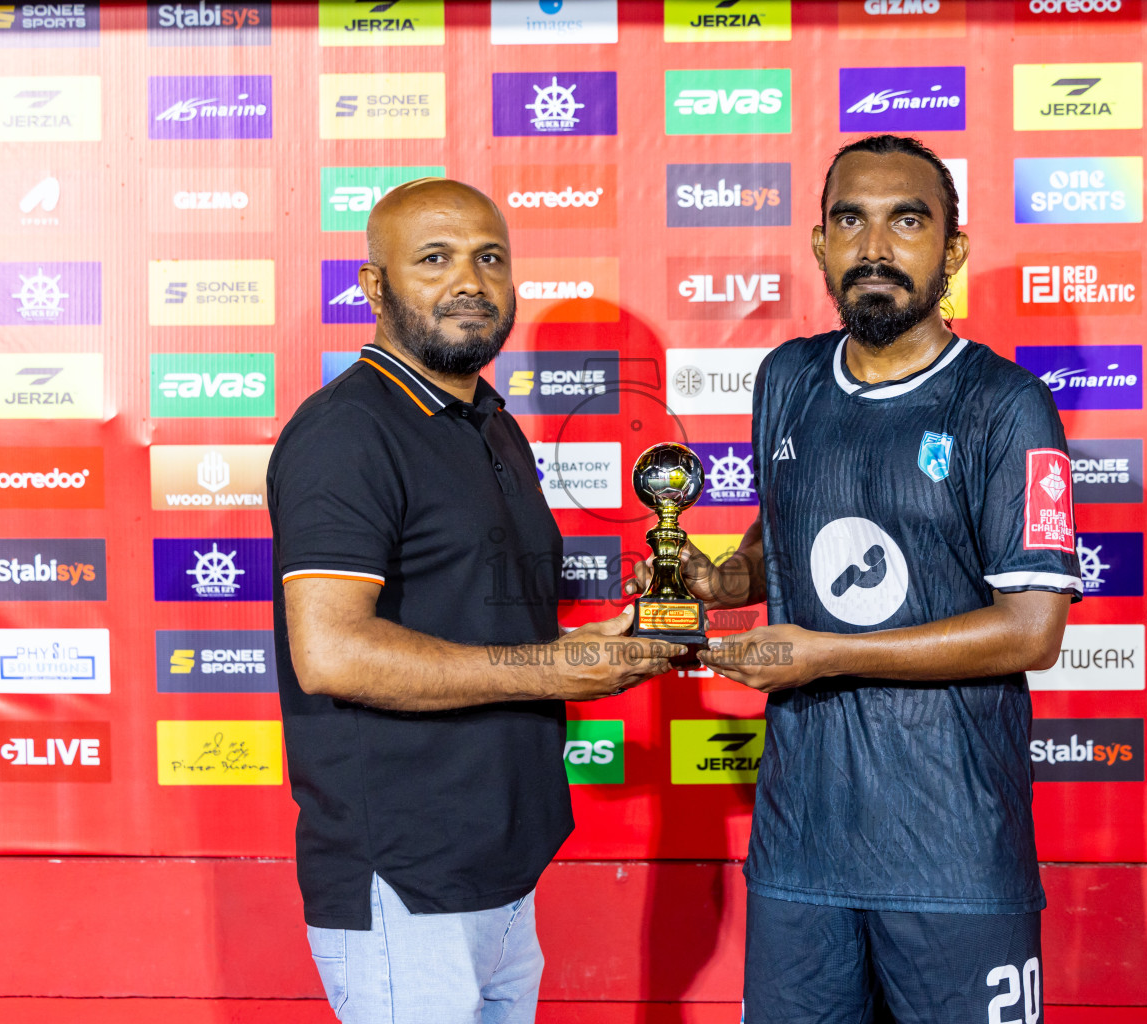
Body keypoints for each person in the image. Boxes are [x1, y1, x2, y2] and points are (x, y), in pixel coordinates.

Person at [628, 135, 1081, 1023]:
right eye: (852, 220)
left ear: (952, 250)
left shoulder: (1006, 404)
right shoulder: (786, 378)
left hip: (955, 854)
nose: (876, 247)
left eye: (907, 221)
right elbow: (783, 533)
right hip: (802, 854)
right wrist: (718, 579)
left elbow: (1032, 631)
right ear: (820, 245)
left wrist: (825, 655)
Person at [268, 178, 683, 1024]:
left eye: (489, 258)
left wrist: (607, 642)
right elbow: (333, 653)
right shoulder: (347, 433)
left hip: (501, 867)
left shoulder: (488, 419)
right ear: (373, 286)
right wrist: (554, 669)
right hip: (408, 878)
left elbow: (479, 615)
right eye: (434, 260)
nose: (471, 280)